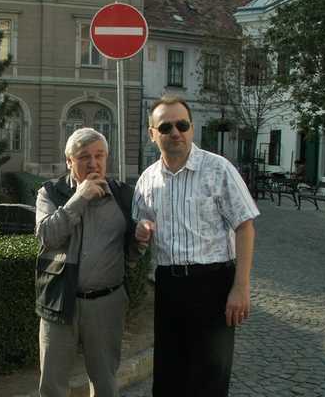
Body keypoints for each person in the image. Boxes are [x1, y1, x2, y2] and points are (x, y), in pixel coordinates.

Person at [133, 95, 259, 397]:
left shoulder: (219, 169)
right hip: (168, 287)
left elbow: (245, 227)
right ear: (153, 134)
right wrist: (140, 232)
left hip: (213, 285)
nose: (175, 132)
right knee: (168, 377)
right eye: (165, 127)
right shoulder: (147, 180)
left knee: (209, 381)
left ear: (191, 129)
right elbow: (138, 235)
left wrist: (240, 288)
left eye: (182, 124)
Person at [35, 127, 140, 397]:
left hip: (107, 302)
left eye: (99, 155)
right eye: (83, 157)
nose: (93, 163)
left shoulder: (122, 196)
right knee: (53, 385)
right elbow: (47, 237)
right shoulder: (51, 193)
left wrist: (141, 239)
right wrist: (79, 198)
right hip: (60, 300)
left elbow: (133, 253)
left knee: (105, 381)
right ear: (69, 161)